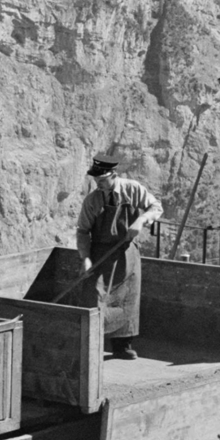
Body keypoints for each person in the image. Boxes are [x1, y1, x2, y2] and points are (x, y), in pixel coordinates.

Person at [74, 153, 163, 360]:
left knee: (126, 300)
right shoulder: (93, 200)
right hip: (100, 253)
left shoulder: (132, 189)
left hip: (126, 253)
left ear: (113, 175)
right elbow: (82, 231)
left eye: (103, 180)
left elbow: (156, 207)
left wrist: (141, 221)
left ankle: (122, 346)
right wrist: (85, 258)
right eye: (96, 181)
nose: (99, 184)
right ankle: (91, 348)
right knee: (94, 298)